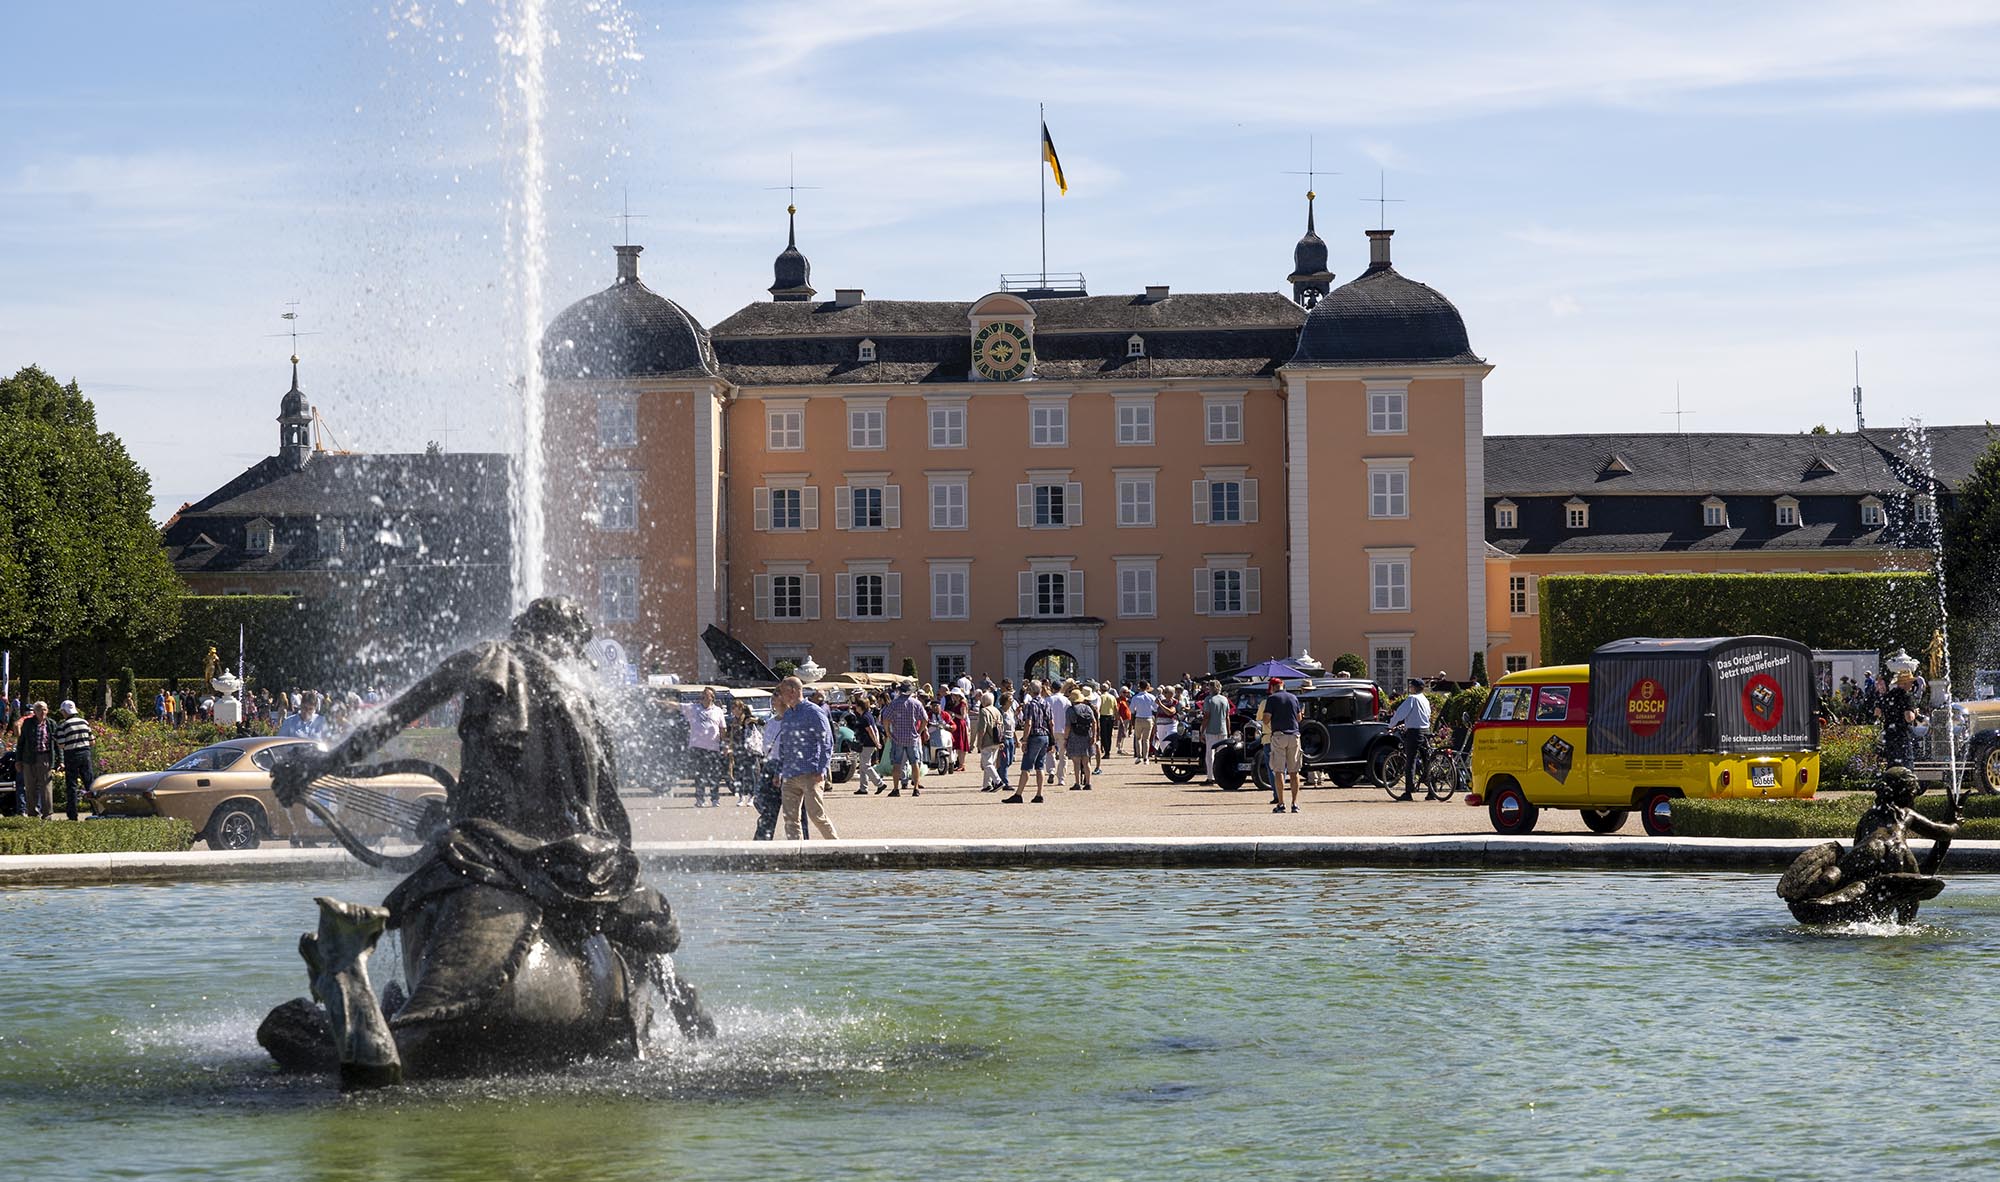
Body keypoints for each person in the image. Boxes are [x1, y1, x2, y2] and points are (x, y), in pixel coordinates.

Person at [770, 676, 838, 841]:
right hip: (789, 774)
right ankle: (796, 855)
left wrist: (822, 769)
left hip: (810, 773)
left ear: (792, 691)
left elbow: (826, 741)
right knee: (790, 819)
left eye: (782, 692)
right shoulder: (788, 715)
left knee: (816, 815)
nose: (780, 696)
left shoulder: (813, 712)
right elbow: (784, 745)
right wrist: (779, 771)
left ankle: (836, 847)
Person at [1388, 677, 1435, 801]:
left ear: (1414, 687)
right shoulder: (1425, 700)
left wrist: (1391, 725)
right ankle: (1432, 790)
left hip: (1414, 732)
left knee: (1411, 761)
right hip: (1426, 731)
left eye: (1411, 686)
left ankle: (1408, 792)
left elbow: (1400, 713)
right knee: (1427, 761)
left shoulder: (1412, 699)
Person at [1261, 677, 1304, 813]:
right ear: (1283, 685)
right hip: (1294, 735)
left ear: (1272, 687)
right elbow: (1299, 718)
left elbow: (1266, 719)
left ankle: (1281, 803)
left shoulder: (1272, 699)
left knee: (1278, 771)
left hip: (1279, 736)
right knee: (1294, 771)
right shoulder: (1293, 697)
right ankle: (1295, 803)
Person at [680, 687, 729, 807]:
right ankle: (700, 799)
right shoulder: (693, 708)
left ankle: (715, 799)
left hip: (713, 747)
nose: (704, 697)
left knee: (714, 775)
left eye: (707, 695)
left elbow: (723, 729)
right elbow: (676, 705)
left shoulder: (718, 711)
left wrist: (726, 745)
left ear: (712, 697)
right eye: (703, 694)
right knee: (699, 774)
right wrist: (659, 702)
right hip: (698, 747)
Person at [1008, 679, 1051, 804]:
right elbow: (1051, 722)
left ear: (1031, 691)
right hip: (1045, 736)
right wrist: (1051, 739)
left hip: (1035, 736)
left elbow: (1028, 723)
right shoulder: (1046, 703)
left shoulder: (1031, 705)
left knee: (1026, 766)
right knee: (1040, 766)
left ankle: (1019, 794)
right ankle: (1039, 793)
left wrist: (1025, 740)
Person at [13, 701, 57, 820]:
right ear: (35, 712)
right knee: (30, 786)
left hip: (45, 757)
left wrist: (60, 761)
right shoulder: (28, 723)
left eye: (44, 709)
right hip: (29, 758)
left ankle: (47, 814)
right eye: (39, 709)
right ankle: (32, 814)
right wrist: (18, 760)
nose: (42, 712)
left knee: (46, 787)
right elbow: (21, 743)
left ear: (47, 711)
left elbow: (57, 745)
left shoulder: (51, 724)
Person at [53, 700, 96, 821]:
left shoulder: (63, 725)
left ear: (65, 711)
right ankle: (96, 810)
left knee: (71, 785)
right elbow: (92, 741)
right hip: (85, 754)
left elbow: (61, 745)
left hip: (71, 755)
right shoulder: (84, 722)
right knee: (90, 784)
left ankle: (72, 815)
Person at [885, 683, 928, 797]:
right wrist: (919, 732)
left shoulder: (894, 703)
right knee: (915, 764)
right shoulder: (916, 703)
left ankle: (895, 789)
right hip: (912, 737)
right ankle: (916, 788)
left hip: (897, 737)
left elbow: (885, 718)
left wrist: (888, 732)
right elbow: (925, 719)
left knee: (897, 764)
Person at [851, 694, 887, 795]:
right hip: (868, 743)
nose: (855, 708)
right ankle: (863, 788)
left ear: (860, 707)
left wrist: (876, 742)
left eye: (857, 706)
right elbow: (875, 728)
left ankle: (879, 783)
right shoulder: (868, 715)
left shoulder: (865, 717)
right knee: (863, 766)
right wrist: (877, 741)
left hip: (868, 743)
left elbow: (871, 730)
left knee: (865, 765)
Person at [1065, 686, 1098, 790]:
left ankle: (1077, 783)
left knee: (1076, 762)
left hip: (1074, 736)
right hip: (1087, 735)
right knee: (1086, 761)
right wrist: (1094, 735)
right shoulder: (1087, 708)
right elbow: (1094, 722)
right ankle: (1088, 783)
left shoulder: (1070, 710)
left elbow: (1068, 726)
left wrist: (1066, 738)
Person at [1201, 681, 1233, 784]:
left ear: (1211, 688)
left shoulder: (1208, 700)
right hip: (1223, 729)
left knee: (1210, 755)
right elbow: (1227, 717)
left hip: (1211, 730)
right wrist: (1228, 730)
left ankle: (1211, 777)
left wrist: (1202, 730)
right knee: (1222, 755)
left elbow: (1206, 716)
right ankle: (1222, 776)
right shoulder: (1225, 699)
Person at [975, 691, 1007, 791]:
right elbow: (1002, 727)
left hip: (987, 740)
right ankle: (987, 785)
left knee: (987, 763)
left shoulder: (983, 711)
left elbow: (982, 729)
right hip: (997, 740)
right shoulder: (997, 711)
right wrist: (1002, 741)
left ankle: (998, 781)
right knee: (990, 763)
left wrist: (979, 742)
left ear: (983, 701)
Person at [1129, 683, 1158, 762]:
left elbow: (1131, 709)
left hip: (1139, 718)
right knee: (1146, 739)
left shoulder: (1135, 697)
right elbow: (1155, 708)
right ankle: (1146, 758)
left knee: (1138, 738)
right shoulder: (1151, 697)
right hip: (1148, 718)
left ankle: (1139, 756)